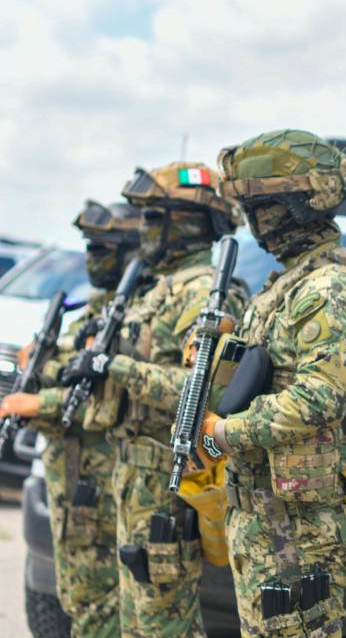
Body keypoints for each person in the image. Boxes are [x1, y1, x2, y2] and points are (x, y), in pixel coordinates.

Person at [196, 130, 346, 636]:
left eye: (265, 207)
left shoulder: (327, 286)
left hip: (298, 523)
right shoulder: (289, 282)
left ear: (302, 205)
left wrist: (223, 433)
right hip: (265, 511)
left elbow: (321, 396)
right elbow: (271, 368)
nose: (258, 222)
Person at [60, 162, 247, 636]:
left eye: (154, 217)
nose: (143, 230)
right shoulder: (156, 291)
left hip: (168, 478)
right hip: (129, 473)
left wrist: (113, 366)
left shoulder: (208, 291)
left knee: (163, 621)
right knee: (133, 621)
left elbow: (203, 389)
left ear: (188, 222)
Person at [0, 200, 142, 637]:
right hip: (68, 475)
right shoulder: (94, 308)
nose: (92, 258)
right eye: (90, 247)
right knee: (73, 604)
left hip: (101, 484)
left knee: (102, 611)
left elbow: (109, 400)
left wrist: (35, 405)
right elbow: (64, 370)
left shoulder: (137, 313)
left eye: (103, 248)